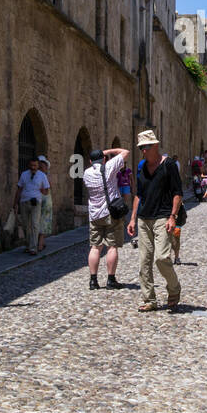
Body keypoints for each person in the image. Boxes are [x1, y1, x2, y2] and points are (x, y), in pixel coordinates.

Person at [127, 130, 182, 312]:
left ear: (156, 146)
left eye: (146, 146)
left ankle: (174, 288)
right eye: (141, 147)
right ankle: (149, 299)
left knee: (161, 257)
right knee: (144, 261)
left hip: (163, 217)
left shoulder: (169, 165)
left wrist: (173, 216)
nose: (143, 150)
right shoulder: (142, 166)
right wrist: (133, 219)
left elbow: (177, 193)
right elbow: (139, 195)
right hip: (144, 218)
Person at [82, 147, 129, 291]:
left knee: (95, 247)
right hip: (110, 213)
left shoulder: (86, 172)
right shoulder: (108, 167)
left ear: (90, 161)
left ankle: (93, 281)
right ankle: (111, 279)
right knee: (112, 246)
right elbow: (125, 152)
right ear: (103, 159)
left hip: (94, 214)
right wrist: (108, 151)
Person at [13, 156, 51, 254]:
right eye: (31, 165)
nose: (33, 167)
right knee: (25, 225)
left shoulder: (42, 176)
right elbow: (19, 189)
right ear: (29, 165)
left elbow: (47, 190)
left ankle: (33, 248)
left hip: (36, 202)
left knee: (34, 224)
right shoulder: (24, 175)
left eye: (35, 165)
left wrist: (43, 191)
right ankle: (28, 244)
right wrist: (15, 202)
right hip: (24, 201)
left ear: (38, 166)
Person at [37, 155, 55, 240]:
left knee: (43, 220)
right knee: (39, 220)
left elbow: (49, 187)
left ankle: (40, 241)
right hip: (41, 199)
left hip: (45, 199)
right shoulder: (38, 175)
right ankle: (40, 242)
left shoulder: (45, 175)